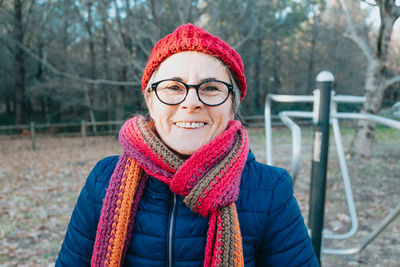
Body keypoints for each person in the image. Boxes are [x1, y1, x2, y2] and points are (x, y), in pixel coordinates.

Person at [56, 24, 319, 267]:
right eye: (172, 87)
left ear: (232, 107)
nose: (191, 102)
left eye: (211, 88)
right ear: (151, 102)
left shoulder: (270, 188)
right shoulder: (103, 178)